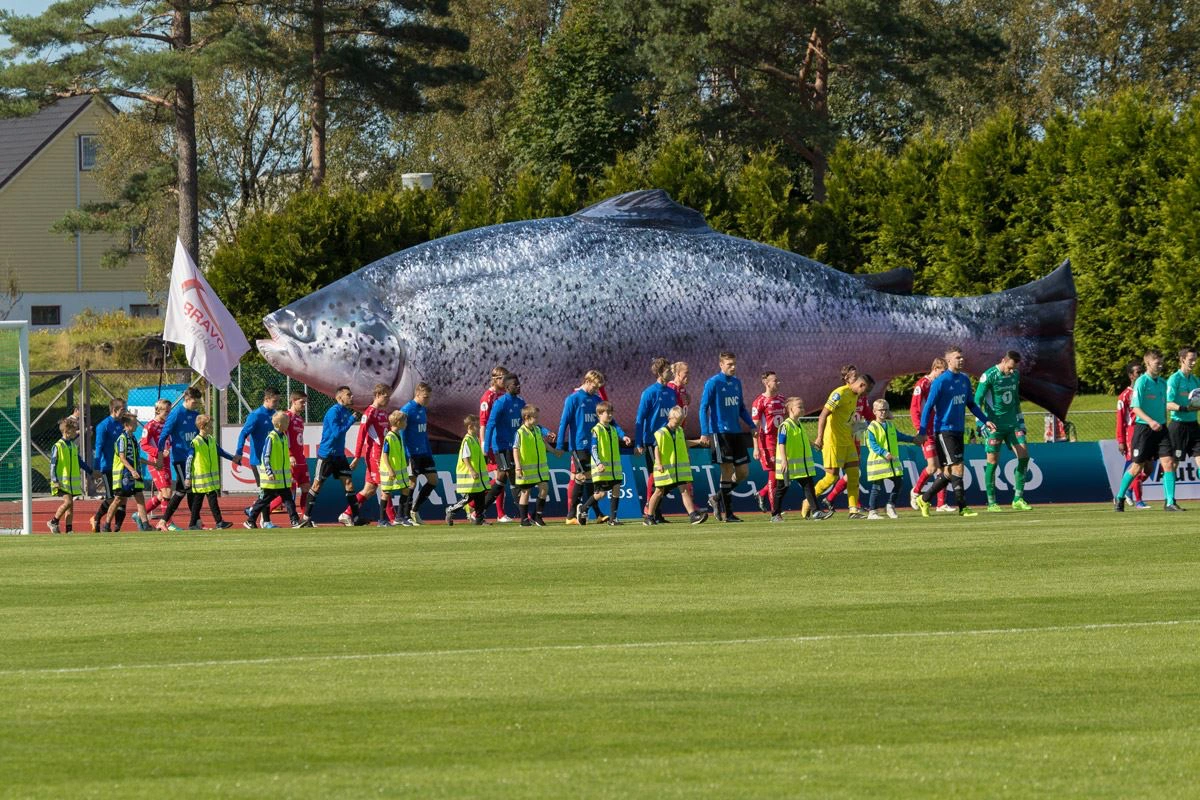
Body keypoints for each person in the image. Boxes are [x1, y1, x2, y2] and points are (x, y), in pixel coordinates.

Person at [916, 346, 994, 517]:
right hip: (944, 430)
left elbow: (971, 404)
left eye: (962, 357)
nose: (961, 360)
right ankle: (963, 507)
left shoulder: (964, 380)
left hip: (958, 430)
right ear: (949, 360)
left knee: (948, 473)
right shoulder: (941, 381)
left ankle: (924, 498)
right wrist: (922, 430)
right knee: (958, 467)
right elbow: (928, 406)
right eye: (957, 357)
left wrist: (985, 419)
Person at [1115, 349, 1177, 511]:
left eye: (1162, 362)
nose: (1161, 365)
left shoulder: (1163, 383)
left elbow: (1163, 405)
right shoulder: (1141, 382)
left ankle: (1169, 502)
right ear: (1148, 363)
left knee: (1169, 463)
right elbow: (1135, 408)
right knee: (1137, 467)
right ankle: (1120, 496)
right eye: (1158, 363)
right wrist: (1150, 422)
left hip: (1161, 429)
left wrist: (1164, 423)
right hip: (1144, 429)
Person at [698, 351, 757, 523]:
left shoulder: (737, 383)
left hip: (736, 432)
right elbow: (703, 408)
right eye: (729, 364)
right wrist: (704, 432)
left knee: (743, 472)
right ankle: (728, 514)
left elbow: (741, 408)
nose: (733, 367)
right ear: (721, 365)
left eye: (734, 364)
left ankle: (716, 498)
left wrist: (752, 426)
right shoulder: (713, 383)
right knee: (727, 471)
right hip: (720, 432)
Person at [975, 350, 1033, 512]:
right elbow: (976, 401)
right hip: (994, 426)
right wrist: (981, 424)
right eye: (1009, 367)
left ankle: (1018, 498)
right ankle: (992, 502)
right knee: (992, 461)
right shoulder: (989, 376)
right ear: (1003, 361)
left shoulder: (1015, 375)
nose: (1011, 371)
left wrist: (1021, 422)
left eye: (1014, 368)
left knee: (1024, 456)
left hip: (1013, 425)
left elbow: (1015, 400)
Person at [813, 372, 874, 520]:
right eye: (866, 391)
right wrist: (819, 437)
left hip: (848, 440)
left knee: (853, 475)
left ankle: (853, 510)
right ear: (861, 385)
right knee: (831, 478)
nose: (866, 395)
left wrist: (858, 426)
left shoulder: (855, 396)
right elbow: (823, 415)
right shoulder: (839, 393)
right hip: (833, 441)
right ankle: (808, 502)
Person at [155, 387, 208, 532]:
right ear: (186, 399)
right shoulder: (176, 414)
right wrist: (160, 456)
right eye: (194, 402)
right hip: (179, 458)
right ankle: (164, 521)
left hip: (193, 459)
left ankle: (194, 523)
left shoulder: (195, 415)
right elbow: (163, 435)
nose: (195, 405)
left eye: (197, 403)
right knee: (185, 488)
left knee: (189, 491)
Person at [557, 370, 606, 524]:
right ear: (587, 381)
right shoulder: (573, 399)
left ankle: (592, 514)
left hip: (594, 446)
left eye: (598, 387)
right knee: (582, 476)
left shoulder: (596, 399)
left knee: (588, 479)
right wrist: (559, 445)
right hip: (578, 445)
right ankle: (573, 515)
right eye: (595, 386)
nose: (596, 390)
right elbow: (563, 422)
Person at [645, 406, 708, 525]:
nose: (679, 423)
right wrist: (658, 463)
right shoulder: (661, 433)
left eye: (681, 421)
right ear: (670, 418)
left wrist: (698, 442)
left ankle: (693, 515)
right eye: (677, 420)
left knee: (684, 490)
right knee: (658, 492)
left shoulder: (679, 431)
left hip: (678, 470)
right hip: (664, 469)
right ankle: (649, 516)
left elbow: (684, 443)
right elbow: (656, 448)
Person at [311, 386, 362, 526]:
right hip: (327, 454)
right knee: (317, 485)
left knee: (349, 483)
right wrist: (351, 420)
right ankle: (305, 517)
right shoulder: (333, 412)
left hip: (339, 455)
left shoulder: (345, 411)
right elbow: (337, 433)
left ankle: (356, 518)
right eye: (348, 395)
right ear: (340, 397)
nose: (351, 397)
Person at [864, 399, 923, 520]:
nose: (883, 412)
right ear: (874, 411)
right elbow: (872, 444)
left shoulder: (890, 425)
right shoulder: (871, 427)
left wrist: (913, 439)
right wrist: (884, 453)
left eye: (886, 410)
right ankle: (872, 511)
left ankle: (890, 505)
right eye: (880, 410)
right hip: (878, 463)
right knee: (876, 488)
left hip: (892, 463)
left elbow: (899, 436)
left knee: (898, 482)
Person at [635, 358, 678, 523]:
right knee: (657, 477)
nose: (671, 373)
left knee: (668, 479)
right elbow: (640, 419)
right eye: (668, 370)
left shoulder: (671, 392)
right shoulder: (649, 393)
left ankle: (656, 513)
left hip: (669, 442)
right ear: (660, 372)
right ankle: (649, 512)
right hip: (653, 442)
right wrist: (638, 443)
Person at [244, 411, 303, 529]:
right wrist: (269, 472)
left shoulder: (284, 437)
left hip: (282, 480)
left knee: (288, 500)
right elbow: (266, 456)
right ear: (279, 424)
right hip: (271, 479)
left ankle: (295, 521)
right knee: (264, 501)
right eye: (286, 422)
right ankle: (250, 520)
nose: (288, 423)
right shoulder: (271, 437)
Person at [576, 401, 631, 525]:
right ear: (599, 414)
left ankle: (613, 518)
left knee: (616, 488)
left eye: (611, 412)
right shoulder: (596, 430)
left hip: (614, 469)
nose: (610, 415)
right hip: (602, 469)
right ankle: (583, 508)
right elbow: (594, 449)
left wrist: (624, 437)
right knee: (601, 494)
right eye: (607, 413)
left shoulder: (612, 429)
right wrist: (599, 463)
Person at [345, 383, 391, 525]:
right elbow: (361, 435)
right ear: (377, 395)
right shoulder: (369, 412)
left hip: (382, 455)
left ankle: (346, 513)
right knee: (386, 485)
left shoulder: (383, 413)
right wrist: (357, 456)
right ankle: (393, 519)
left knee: (369, 489)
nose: (388, 399)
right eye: (386, 396)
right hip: (374, 455)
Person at [482, 373, 526, 520]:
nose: (518, 386)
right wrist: (486, 448)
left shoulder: (520, 402)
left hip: (514, 446)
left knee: (501, 480)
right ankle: (524, 516)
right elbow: (490, 425)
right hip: (501, 446)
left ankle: (478, 513)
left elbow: (529, 422)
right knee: (513, 476)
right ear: (507, 387)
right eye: (515, 384)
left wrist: (545, 432)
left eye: (519, 383)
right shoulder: (500, 403)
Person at [909, 358, 950, 512]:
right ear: (935, 368)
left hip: (938, 429)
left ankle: (941, 504)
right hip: (926, 432)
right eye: (942, 371)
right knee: (932, 467)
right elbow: (914, 408)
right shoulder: (922, 384)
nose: (944, 374)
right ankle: (915, 491)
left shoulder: (939, 385)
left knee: (943, 469)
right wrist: (920, 430)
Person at [236, 388, 281, 526]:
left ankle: (253, 510)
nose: (277, 404)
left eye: (279, 401)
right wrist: (239, 452)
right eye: (275, 401)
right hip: (258, 460)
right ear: (266, 400)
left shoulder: (276, 415)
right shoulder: (256, 415)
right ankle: (265, 521)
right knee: (266, 490)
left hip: (271, 460)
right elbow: (243, 433)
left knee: (274, 491)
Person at [770, 397, 819, 522]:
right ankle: (775, 514)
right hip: (788, 465)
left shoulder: (799, 424)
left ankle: (816, 511)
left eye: (803, 406)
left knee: (809, 486)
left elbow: (800, 440)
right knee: (782, 489)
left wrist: (812, 443)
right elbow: (781, 443)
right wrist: (784, 460)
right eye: (799, 407)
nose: (803, 409)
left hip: (801, 467)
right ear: (791, 409)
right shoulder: (785, 425)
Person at [186, 414, 238, 530]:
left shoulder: (211, 440)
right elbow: (189, 460)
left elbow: (221, 452)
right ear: (202, 427)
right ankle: (216, 522)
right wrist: (188, 477)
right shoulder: (195, 442)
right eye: (210, 426)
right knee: (200, 502)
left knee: (203, 501)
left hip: (210, 479)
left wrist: (233, 458)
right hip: (201, 479)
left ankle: (196, 523)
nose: (212, 428)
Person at [513, 405, 563, 527]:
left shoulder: (537, 430)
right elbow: (515, 449)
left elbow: (544, 443)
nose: (537, 420)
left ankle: (537, 516)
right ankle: (524, 519)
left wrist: (554, 451)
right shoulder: (520, 432)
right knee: (525, 492)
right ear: (526, 417)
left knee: (544, 488)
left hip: (540, 469)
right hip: (526, 469)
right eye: (535, 417)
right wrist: (518, 467)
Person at [269, 390, 313, 523]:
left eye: (305, 402)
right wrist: (289, 455)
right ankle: (261, 509)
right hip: (291, 460)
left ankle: (306, 519)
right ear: (294, 401)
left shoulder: (300, 419)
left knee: (306, 488)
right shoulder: (286, 417)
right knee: (289, 491)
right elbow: (283, 437)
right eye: (302, 402)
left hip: (301, 459)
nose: (304, 405)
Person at [102, 413, 150, 532]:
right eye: (134, 424)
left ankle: (145, 525)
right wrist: (132, 470)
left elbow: (137, 457)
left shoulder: (133, 438)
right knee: (118, 499)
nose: (136, 426)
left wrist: (153, 464)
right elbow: (122, 457)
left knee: (140, 497)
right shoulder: (122, 439)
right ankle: (106, 525)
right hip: (124, 475)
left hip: (134, 474)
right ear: (127, 425)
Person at [399, 382, 439, 525]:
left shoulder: (422, 410)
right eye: (425, 397)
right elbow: (402, 434)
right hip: (412, 454)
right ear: (417, 394)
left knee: (434, 480)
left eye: (429, 397)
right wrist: (405, 454)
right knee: (411, 483)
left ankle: (414, 510)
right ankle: (406, 515)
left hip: (424, 453)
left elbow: (423, 434)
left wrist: (429, 451)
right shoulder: (407, 409)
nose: (427, 400)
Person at [47, 416, 95, 534]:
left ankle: (69, 530)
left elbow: (79, 461)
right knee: (68, 502)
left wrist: (90, 471)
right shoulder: (58, 446)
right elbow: (53, 464)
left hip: (71, 483)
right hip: (61, 482)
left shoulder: (73, 446)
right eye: (74, 430)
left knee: (71, 506)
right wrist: (54, 480)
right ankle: (53, 521)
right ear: (67, 432)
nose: (76, 432)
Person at [478, 366, 513, 523]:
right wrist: (484, 444)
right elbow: (483, 424)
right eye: (504, 379)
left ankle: (497, 513)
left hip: (503, 441)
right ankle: (475, 505)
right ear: (496, 379)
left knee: (502, 476)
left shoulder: (504, 395)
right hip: (492, 443)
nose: (506, 382)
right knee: (501, 475)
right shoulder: (488, 397)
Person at [1167, 346, 1200, 506]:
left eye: (1195, 359)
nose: (1193, 362)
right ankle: (1170, 501)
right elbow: (1167, 403)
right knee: (1173, 463)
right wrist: (1184, 408)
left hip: (1194, 425)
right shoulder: (1174, 379)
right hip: (1178, 426)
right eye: (1190, 359)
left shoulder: (1196, 380)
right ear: (1182, 359)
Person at [90, 397, 127, 532]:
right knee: (112, 498)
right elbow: (98, 447)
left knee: (123, 498)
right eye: (123, 409)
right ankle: (96, 518)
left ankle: (117, 528)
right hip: (108, 467)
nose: (125, 412)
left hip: (122, 467)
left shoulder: (123, 424)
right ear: (115, 410)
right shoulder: (103, 425)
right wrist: (96, 467)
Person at [751, 371, 786, 513]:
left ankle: (762, 493)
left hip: (782, 441)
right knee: (774, 474)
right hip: (768, 442)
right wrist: (756, 447)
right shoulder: (759, 401)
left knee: (781, 476)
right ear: (766, 383)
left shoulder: (783, 399)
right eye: (775, 381)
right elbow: (755, 426)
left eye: (778, 380)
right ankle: (774, 510)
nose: (778, 383)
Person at [1116, 361, 1149, 509]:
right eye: (1138, 372)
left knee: (1149, 469)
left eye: (1142, 371)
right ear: (1131, 376)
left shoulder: (1146, 391)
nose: (1141, 375)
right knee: (1137, 465)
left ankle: (1128, 489)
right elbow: (1120, 420)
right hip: (1133, 434)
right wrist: (1121, 440)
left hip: (1148, 431)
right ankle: (1139, 500)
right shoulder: (1124, 396)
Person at [445, 415, 488, 527]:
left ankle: (479, 519)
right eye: (476, 425)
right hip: (470, 476)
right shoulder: (467, 440)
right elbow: (465, 458)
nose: (479, 427)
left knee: (480, 496)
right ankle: (451, 510)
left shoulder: (475, 439)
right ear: (470, 426)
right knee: (469, 497)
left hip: (478, 476)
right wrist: (472, 470)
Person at [139, 398, 173, 523]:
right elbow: (144, 445)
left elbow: (169, 441)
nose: (168, 414)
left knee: (162, 495)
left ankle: (140, 515)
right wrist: (158, 453)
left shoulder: (167, 425)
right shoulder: (150, 426)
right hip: (156, 463)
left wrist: (169, 447)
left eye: (169, 412)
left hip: (166, 461)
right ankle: (167, 523)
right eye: (166, 412)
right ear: (158, 411)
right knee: (166, 492)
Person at [378, 410, 413, 527]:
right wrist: (390, 469)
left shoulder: (398, 435)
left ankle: (399, 517)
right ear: (398, 422)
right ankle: (382, 520)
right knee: (386, 493)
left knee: (405, 489)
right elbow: (385, 454)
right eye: (404, 421)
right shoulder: (389, 437)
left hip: (400, 470)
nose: (406, 423)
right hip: (391, 470)